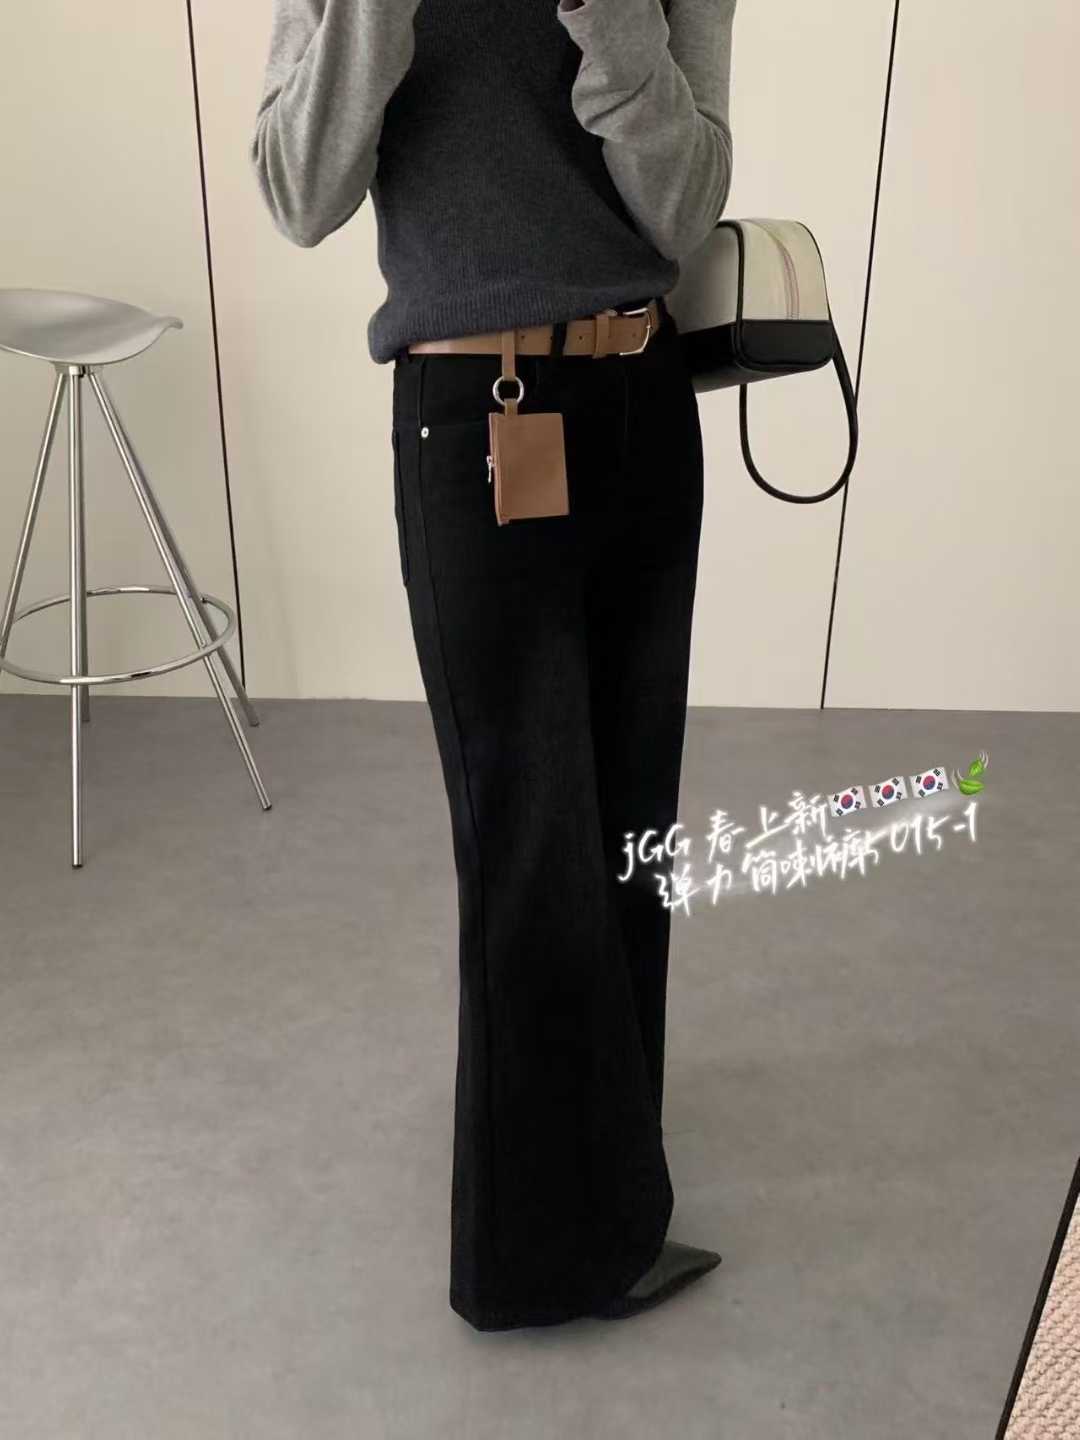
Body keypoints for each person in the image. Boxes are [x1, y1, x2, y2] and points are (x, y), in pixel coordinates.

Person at [251, 0, 736, 1332]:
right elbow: (298, 192)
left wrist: (615, 26)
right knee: (527, 833)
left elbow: (686, 208)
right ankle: (532, 1261)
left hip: (641, 405)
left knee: (629, 828)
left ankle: (617, 1190)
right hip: (476, 416)